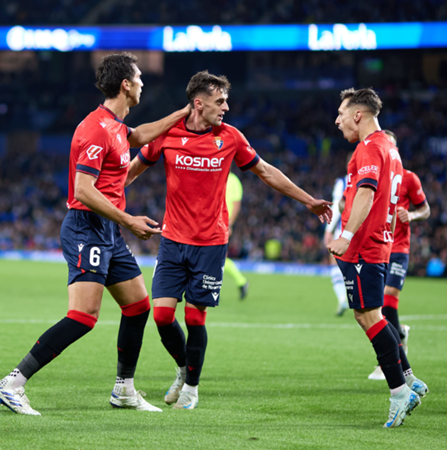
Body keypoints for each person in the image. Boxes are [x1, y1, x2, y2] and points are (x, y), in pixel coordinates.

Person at [0, 53, 190, 416]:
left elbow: (140, 136)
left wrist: (181, 113)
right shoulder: (96, 129)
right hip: (86, 226)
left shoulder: (115, 126)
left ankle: (124, 389)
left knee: (138, 305)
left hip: (107, 230)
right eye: (140, 77)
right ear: (126, 85)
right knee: (83, 316)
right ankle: (12, 383)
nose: (144, 82)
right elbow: (83, 189)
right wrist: (129, 220)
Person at [132, 70, 332, 410]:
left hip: (210, 244)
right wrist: (100, 198)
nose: (226, 107)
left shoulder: (231, 138)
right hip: (173, 241)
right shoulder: (167, 135)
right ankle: (184, 367)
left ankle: (192, 388)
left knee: (195, 319)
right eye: (219, 101)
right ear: (199, 103)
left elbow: (266, 171)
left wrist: (308, 200)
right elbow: (133, 168)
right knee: (163, 317)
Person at [327, 88, 422, 428]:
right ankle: (406, 381)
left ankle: (400, 389)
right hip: (376, 244)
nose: (337, 121)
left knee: (371, 317)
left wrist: (346, 235)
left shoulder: (369, 148)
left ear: (358, 115)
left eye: (341, 113)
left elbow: (367, 193)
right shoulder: (389, 149)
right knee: (366, 315)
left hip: (365, 246)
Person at [367, 130, 431, 381]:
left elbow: (425, 209)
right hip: (375, 247)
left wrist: (412, 215)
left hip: (398, 248)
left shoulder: (409, 179)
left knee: (388, 299)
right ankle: (396, 340)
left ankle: (392, 364)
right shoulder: (370, 175)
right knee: (374, 307)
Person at [323, 155, 350, 316]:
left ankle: (342, 299)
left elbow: (335, 207)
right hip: (366, 231)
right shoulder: (373, 179)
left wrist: (328, 230)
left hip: (344, 230)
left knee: (334, 262)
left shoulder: (343, 182)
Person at [224, 171, 250, 299]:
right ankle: (241, 282)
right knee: (214, 258)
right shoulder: (216, 175)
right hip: (211, 224)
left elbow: (236, 205)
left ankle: (242, 281)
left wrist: (229, 224)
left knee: (218, 257)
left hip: (223, 224)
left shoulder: (233, 180)